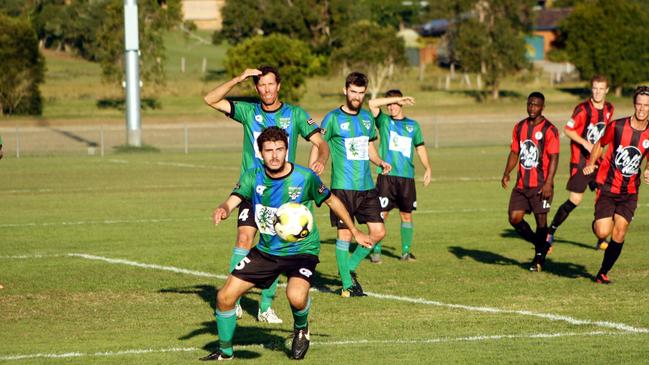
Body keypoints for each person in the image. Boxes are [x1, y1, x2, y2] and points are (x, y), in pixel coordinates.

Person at [202, 127, 372, 361]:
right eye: (269, 150)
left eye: (279, 149)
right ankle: (226, 351)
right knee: (224, 298)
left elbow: (332, 200)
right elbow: (235, 198)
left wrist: (354, 231)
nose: (274, 155)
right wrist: (224, 208)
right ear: (260, 153)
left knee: (295, 295)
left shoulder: (304, 177)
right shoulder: (253, 176)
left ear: (286, 151)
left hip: (302, 251)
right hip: (266, 251)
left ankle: (301, 329)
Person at [204, 66, 330, 323]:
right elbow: (211, 99)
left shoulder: (293, 114)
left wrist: (322, 160)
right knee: (243, 238)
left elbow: (320, 141)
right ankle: (235, 299)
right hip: (251, 188)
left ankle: (265, 307)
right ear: (257, 88)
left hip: (283, 195)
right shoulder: (249, 111)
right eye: (261, 85)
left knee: (276, 248)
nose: (266, 89)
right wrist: (239, 78)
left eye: (271, 84)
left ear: (278, 86)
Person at [320, 72, 391, 296]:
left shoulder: (367, 118)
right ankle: (347, 286)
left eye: (361, 93)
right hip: (342, 186)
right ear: (345, 91)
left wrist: (379, 161)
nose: (357, 96)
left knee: (378, 232)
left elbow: (368, 146)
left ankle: (348, 269)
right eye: (353, 92)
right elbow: (319, 144)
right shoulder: (332, 118)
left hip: (367, 186)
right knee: (345, 235)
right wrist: (318, 162)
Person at [583, 86, 649, 284]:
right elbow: (599, 144)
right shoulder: (618, 126)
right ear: (634, 104)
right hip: (608, 188)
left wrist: (647, 171)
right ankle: (598, 223)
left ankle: (603, 272)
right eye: (639, 104)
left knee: (620, 231)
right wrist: (591, 164)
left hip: (629, 192)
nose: (642, 109)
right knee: (603, 231)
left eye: (646, 105)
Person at [546, 75, 614, 251]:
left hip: (598, 162)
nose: (598, 92)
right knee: (575, 200)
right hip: (580, 162)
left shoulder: (609, 109)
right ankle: (550, 231)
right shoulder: (583, 109)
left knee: (605, 197)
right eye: (595, 88)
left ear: (607, 90)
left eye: (601, 88)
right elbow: (568, 130)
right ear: (591, 89)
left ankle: (602, 238)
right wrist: (585, 143)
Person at [367, 90, 431, 263]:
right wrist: (395, 98)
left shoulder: (413, 125)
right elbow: (372, 103)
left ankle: (406, 252)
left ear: (401, 105)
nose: (391, 107)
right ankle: (376, 252)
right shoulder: (384, 121)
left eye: (395, 104)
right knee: (382, 214)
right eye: (389, 104)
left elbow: (420, 148)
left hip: (406, 178)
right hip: (387, 176)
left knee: (406, 215)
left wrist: (428, 168)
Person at [501, 92, 560, 272]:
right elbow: (514, 152)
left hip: (541, 184)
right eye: (529, 104)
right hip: (522, 185)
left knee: (541, 221)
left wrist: (549, 182)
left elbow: (554, 157)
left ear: (542, 107)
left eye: (536, 105)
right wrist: (506, 172)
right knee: (514, 218)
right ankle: (541, 244)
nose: (532, 108)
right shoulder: (519, 127)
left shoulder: (549, 129)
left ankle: (538, 260)